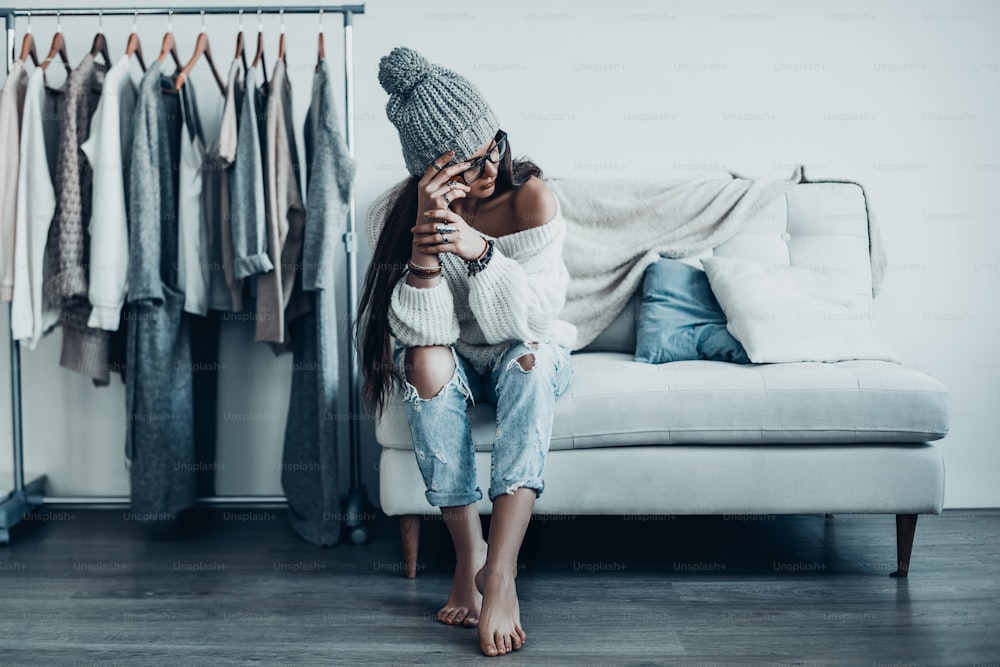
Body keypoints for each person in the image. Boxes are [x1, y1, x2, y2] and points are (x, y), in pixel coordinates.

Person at [357, 46, 578, 657]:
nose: (489, 171)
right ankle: (468, 556)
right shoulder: (398, 217)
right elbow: (422, 339)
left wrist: (479, 252)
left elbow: (531, 320)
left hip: (524, 348)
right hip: (458, 358)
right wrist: (427, 255)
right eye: (467, 167)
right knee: (422, 365)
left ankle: (501, 573)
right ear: (431, 173)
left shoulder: (531, 198)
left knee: (530, 365)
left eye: (492, 150)